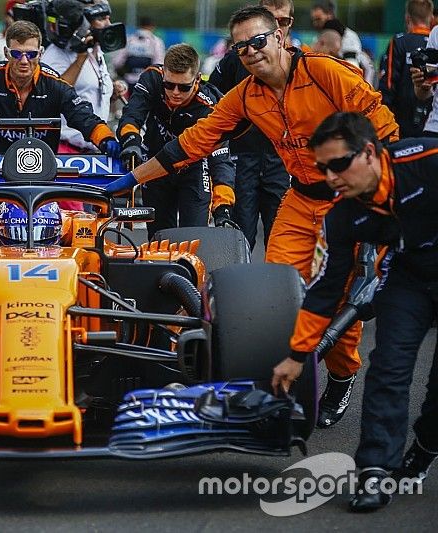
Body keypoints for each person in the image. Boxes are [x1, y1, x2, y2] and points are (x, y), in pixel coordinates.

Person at [105, 5, 399, 429]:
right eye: (242, 48)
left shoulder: (325, 72)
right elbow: (192, 143)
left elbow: (384, 130)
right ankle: (272, 390)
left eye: (258, 41)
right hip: (299, 201)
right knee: (275, 294)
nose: (252, 52)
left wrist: (382, 203)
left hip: (352, 199)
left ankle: (341, 375)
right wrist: (129, 179)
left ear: (279, 37)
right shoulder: (245, 95)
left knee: (336, 300)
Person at [271, 112, 438, 512]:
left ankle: (426, 447)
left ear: (369, 152)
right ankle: (375, 471)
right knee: (389, 368)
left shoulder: (427, 160)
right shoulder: (342, 214)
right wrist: (297, 356)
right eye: (324, 168)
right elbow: (325, 290)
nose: (331, 177)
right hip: (408, 280)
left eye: (339, 165)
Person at [0, 20, 118, 159]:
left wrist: (106, 139)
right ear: (6, 53)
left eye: (31, 54)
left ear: (40, 53)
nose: (24, 61)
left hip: (44, 171)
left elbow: (84, 117)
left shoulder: (56, 85)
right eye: (17, 54)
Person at [118, 44, 235, 237]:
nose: (175, 92)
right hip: (155, 164)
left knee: (195, 237)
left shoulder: (210, 106)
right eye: (169, 85)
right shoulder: (152, 77)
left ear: (197, 79)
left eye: (184, 87)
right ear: (163, 74)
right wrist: (131, 143)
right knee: (159, 237)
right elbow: (132, 115)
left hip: (195, 169)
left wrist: (222, 207)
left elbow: (221, 159)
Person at [208, 0, 294, 253]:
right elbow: (210, 99)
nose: (278, 26)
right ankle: (237, 291)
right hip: (240, 160)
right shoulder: (236, 58)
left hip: (281, 161)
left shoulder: (304, 62)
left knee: (282, 239)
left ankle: (282, 291)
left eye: (284, 21)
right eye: (271, 19)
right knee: (238, 238)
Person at [41, 0, 126, 153]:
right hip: (63, 149)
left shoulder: (96, 51)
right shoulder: (55, 54)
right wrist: (81, 57)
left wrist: (110, 91)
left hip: (93, 147)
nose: (108, 24)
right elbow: (53, 94)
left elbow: (86, 90)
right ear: (82, 25)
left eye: (108, 17)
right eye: (101, 19)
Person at [381, 0, 433, 138]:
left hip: (401, 123)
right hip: (431, 123)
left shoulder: (399, 41)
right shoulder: (434, 43)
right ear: (431, 17)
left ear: (407, 18)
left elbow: (388, 84)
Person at [111, 16, 166, 90]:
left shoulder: (129, 40)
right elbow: (159, 63)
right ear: (152, 27)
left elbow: (117, 62)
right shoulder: (156, 42)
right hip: (147, 83)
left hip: (128, 82)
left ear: (139, 26)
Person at [311, 1, 363, 66]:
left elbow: (352, 67)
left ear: (329, 15)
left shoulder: (348, 36)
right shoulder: (319, 37)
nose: (315, 23)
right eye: (313, 20)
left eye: (318, 19)